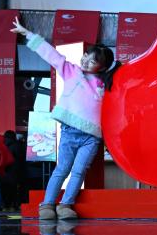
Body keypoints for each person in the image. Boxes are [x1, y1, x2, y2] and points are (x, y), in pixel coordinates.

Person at [11, 19, 121, 220]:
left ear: (102, 67)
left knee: (79, 172)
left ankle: (65, 205)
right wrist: (27, 34)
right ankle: (47, 205)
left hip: (91, 137)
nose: (86, 61)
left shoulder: (106, 84)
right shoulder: (72, 71)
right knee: (62, 169)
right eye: (86, 56)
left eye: (93, 61)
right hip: (70, 132)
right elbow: (52, 55)